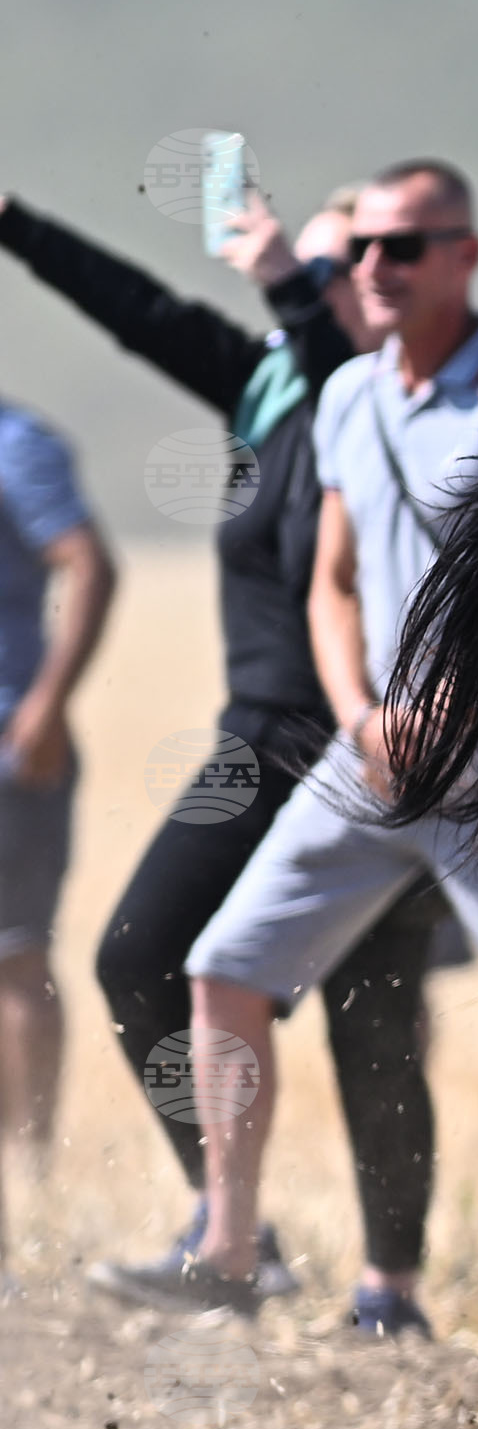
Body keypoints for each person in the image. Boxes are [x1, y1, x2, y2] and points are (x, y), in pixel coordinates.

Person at [144, 160, 478, 1329]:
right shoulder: (347, 396)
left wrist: (471, 702)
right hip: (369, 755)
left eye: (403, 247)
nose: (374, 271)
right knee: (226, 970)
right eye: (359, 254)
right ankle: (231, 1255)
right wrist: (359, 714)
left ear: (465, 255)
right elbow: (331, 583)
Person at [2, 186, 448, 1327]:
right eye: (325, 263)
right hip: (261, 735)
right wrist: (14, 217)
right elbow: (136, 308)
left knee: (374, 1012)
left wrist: (291, 286)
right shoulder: (271, 382)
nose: (340, 279)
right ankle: (232, 1226)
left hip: (366, 739)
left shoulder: (385, 400)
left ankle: (390, 1291)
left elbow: (334, 350)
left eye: (346, 263)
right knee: (139, 956)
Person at [0, 385, 114, 1286]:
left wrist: (44, 707)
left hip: (9, 748)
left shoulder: (18, 443)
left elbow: (88, 562)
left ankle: (31, 1170)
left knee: (14, 959)